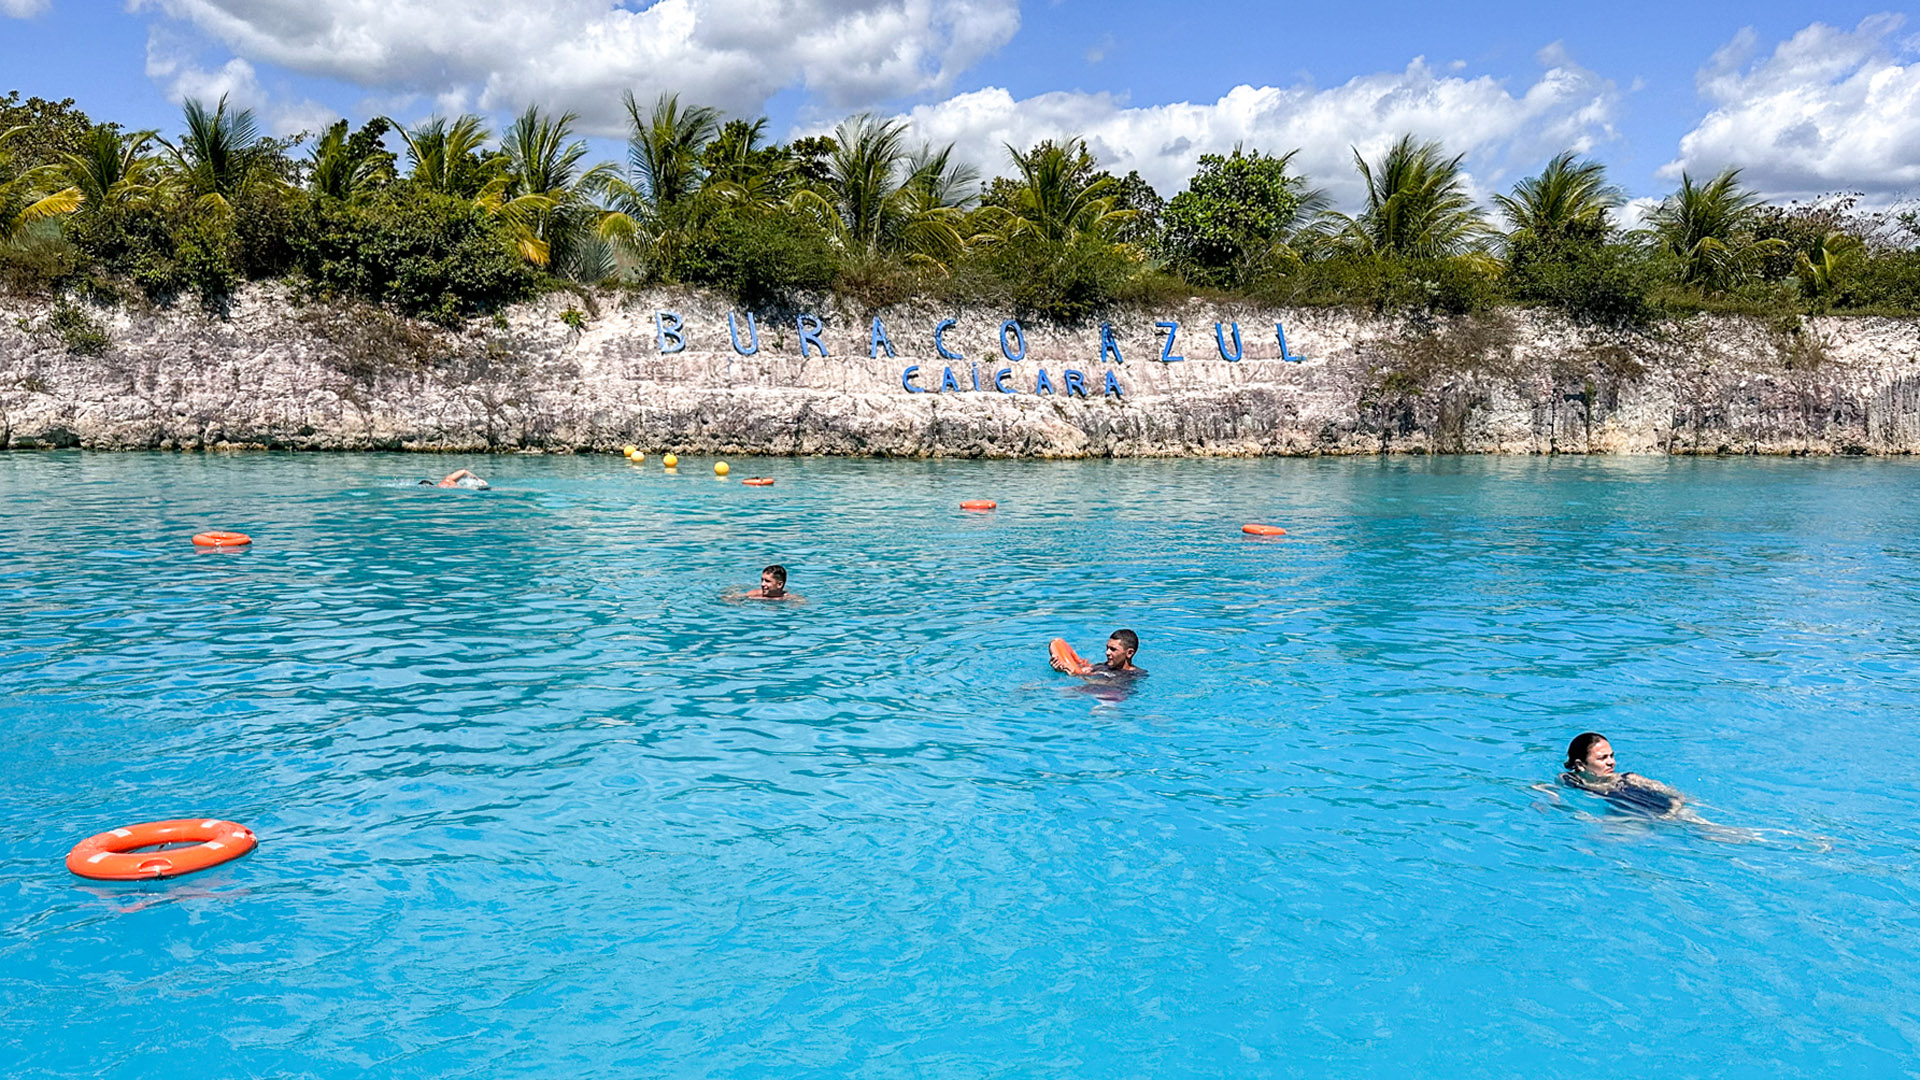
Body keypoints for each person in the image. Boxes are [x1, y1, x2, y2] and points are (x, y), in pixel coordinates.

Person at [1560, 732, 1683, 815]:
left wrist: (1672, 811)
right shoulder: (1571, 780)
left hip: (1664, 813)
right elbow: (1547, 788)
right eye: (1602, 758)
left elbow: (1676, 795)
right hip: (1630, 817)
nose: (1611, 762)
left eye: (1611, 756)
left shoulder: (1629, 778)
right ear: (1580, 765)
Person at [1053, 628, 1146, 678]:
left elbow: (1109, 686)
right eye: (1107, 648)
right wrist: (1061, 668)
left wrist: (1076, 674)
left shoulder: (1134, 675)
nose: (1107, 652)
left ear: (1129, 653)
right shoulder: (1103, 666)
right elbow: (1084, 670)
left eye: (1113, 649)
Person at [420, 468, 488, 489]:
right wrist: (478, 479)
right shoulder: (447, 479)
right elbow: (464, 471)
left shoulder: (443, 485)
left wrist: (478, 480)